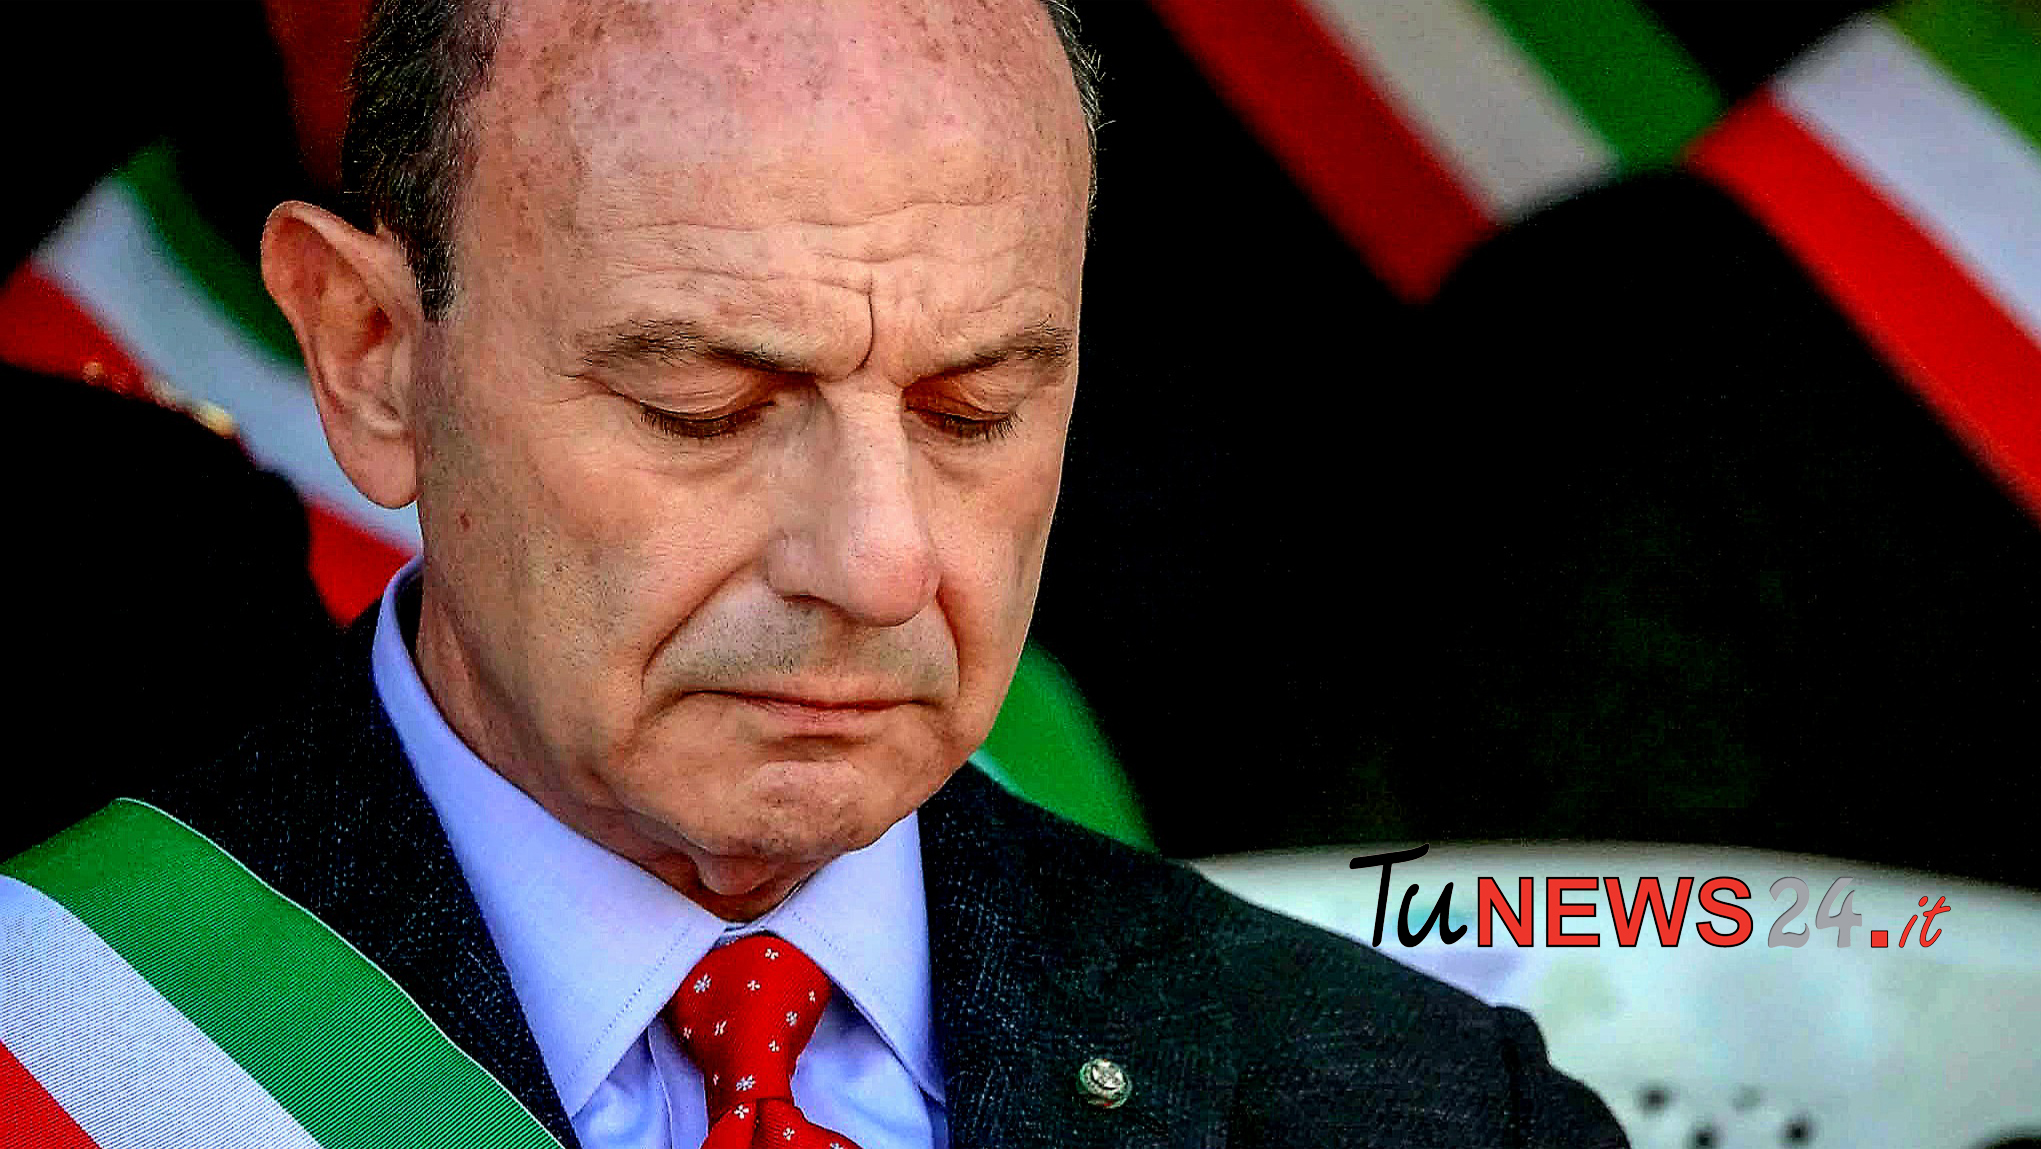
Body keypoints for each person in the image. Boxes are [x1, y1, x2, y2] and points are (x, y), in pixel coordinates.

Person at [2, 1, 1624, 1145]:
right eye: (704, 407)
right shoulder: (60, 1041)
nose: (878, 561)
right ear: (371, 356)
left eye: (973, 409)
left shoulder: (1420, 1103)